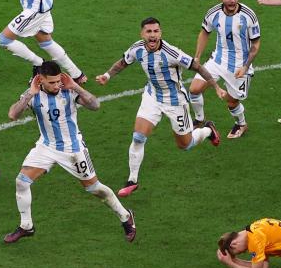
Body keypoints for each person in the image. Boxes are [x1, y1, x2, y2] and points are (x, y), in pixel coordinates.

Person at [2, 61, 136, 244]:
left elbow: (95, 105)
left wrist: (76, 87)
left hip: (73, 150)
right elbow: (12, 115)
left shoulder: (69, 91)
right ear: (40, 80)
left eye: (58, 81)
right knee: (22, 182)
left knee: (94, 189)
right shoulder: (32, 95)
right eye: (52, 82)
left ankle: (125, 215)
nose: (57, 85)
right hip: (46, 146)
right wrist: (29, 94)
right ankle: (26, 226)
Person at [95, 17, 223, 197]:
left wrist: (215, 86)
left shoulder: (172, 53)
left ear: (160, 33)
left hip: (175, 102)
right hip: (152, 96)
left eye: (156, 31)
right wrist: (107, 76)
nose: (153, 35)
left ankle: (208, 130)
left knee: (185, 145)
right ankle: (132, 180)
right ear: (142, 34)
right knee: (138, 137)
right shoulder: (137, 48)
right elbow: (123, 62)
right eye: (149, 32)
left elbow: (198, 67)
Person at [189, 0, 261, 139]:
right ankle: (199, 119)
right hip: (217, 60)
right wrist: (197, 57)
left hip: (239, 67)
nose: (233, 0)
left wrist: (246, 67)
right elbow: (204, 32)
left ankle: (241, 124)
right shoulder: (213, 13)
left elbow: (256, 44)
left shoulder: (248, 16)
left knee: (232, 102)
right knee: (194, 90)